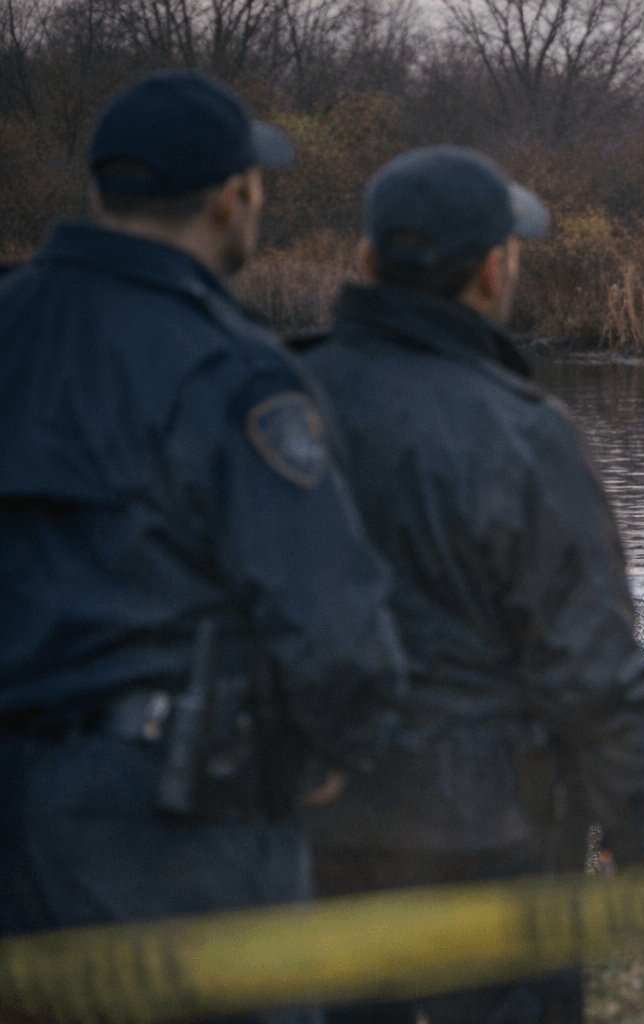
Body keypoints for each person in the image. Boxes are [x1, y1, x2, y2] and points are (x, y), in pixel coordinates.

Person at [0, 70, 407, 1023]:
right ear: (236, 196)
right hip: (171, 816)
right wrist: (338, 749)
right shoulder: (226, 366)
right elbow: (330, 616)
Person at [293, 147, 644, 1024]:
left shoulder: (270, 394)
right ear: (493, 269)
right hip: (493, 825)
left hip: (312, 816)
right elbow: (594, 660)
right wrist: (639, 838)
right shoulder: (522, 430)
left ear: (366, 260)